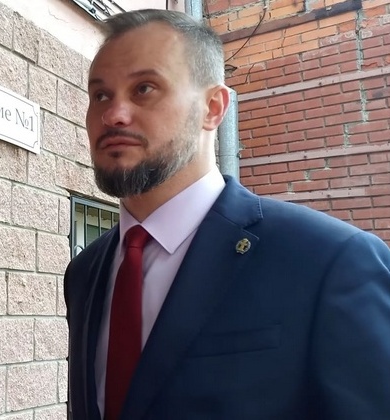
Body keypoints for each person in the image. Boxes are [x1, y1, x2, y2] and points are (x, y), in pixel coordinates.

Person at [64, 9, 390, 420]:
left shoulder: (330, 261)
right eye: (100, 95)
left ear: (213, 108)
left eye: (144, 88)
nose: (113, 114)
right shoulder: (84, 273)